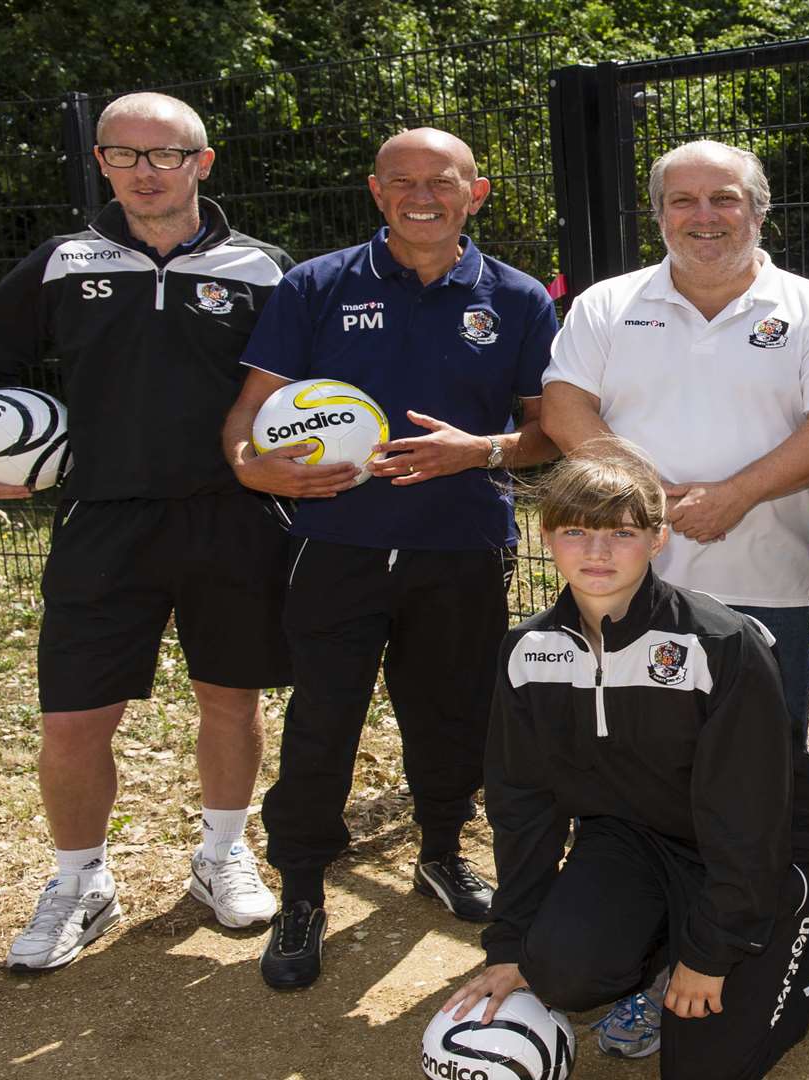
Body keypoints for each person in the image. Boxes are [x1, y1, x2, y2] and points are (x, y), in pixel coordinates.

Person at [0, 92, 295, 970]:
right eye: (124, 155)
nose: (144, 172)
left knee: (231, 699)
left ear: (204, 162)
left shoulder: (264, 268)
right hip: (103, 520)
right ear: (102, 164)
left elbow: (313, 392)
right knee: (75, 719)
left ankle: (221, 853)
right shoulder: (62, 262)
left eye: (164, 155)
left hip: (233, 519)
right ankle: (81, 881)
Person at [221, 127, 558, 990]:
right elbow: (249, 417)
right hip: (336, 547)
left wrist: (475, 451)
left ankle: (441, 852)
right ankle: (301, 890)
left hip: (461, 547)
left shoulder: (517, 298)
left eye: (439, 182)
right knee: (323, 720)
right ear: (376, 192)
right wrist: (251, 467)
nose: (421, 196)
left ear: (473, 193)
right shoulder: (315, 285)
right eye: (401, 181)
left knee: (452, 715)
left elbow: (546, 433)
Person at [443, 439, 809, 1080]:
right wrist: (513, 944)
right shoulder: (527, 652)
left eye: (620, 534)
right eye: (576, 532)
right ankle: (662, 957)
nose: (596, 553)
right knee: (559, 973)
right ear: (547, 537)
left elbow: (749, 816)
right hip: (631, 840)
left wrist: (711, 953)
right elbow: (523, 803)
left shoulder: (718, 644)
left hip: (758, 859)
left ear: (657, 540)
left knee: (702, 1070)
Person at [540, 139, 809, 749]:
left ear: (758, 212)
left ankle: (770, 851)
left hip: (764, 579)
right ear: (660, 216)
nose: (704, 216)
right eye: (683, 201)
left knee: (761, 754)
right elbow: (563, 407)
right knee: (622, 750)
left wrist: (736, 496)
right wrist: (646, 495)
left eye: (724, 199)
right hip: (621, 575)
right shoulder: (606, 304)